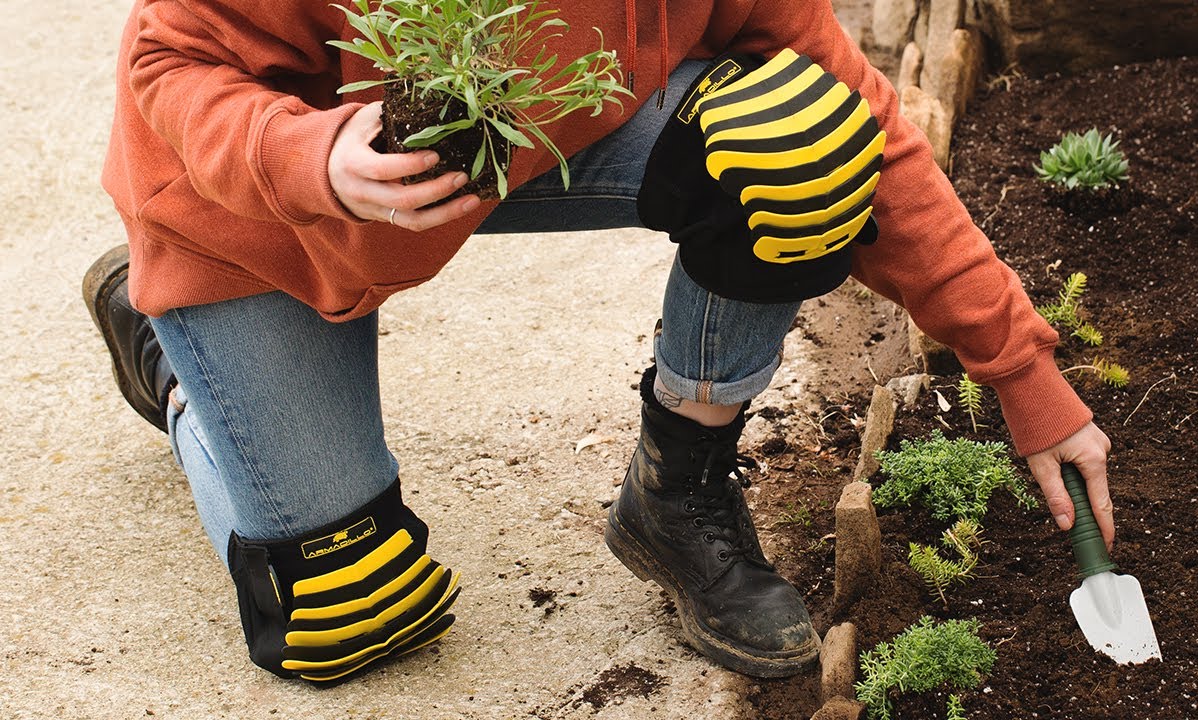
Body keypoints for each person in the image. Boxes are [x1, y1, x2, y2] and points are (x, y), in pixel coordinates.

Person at [88, 0, 1114, 683]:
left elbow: (872, 137)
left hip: (499, 157)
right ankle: (179, 368)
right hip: (255, 213)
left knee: (802, 134)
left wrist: (1020, 371)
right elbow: (169, 60)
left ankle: (674, 491)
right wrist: (304, 157)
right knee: (349, 616)